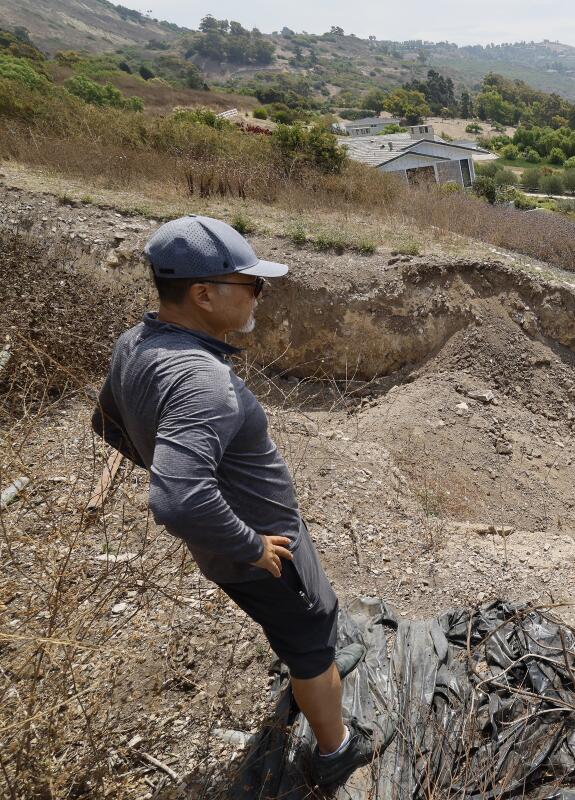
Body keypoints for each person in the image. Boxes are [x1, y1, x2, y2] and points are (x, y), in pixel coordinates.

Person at [91, 215, 394, 787]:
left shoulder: (137, 343)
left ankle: (314, 668)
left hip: (235, 549)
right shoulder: (202, 381)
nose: (261, 294)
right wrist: (251, 544)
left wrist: (176, 473)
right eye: (250, 284)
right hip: (263, 554)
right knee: (309, 630)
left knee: (304, 622)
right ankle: (336, 750)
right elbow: (178, 501)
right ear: (203, 294)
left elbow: (105, 421)